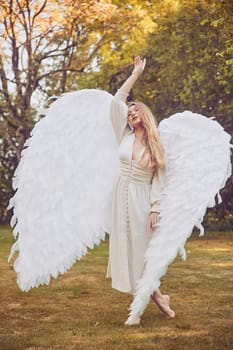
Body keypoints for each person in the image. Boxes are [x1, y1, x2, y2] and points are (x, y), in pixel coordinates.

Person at [106, 56, 175, 326]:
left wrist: (155, 208)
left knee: (143, 254)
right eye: (129, 111)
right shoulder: (122, 135)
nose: (131, 113)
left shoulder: (156, 143)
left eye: (136, 111)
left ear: (144, 115)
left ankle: (139, 309)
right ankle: (157, 297)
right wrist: (135, 74)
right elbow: (115, 102)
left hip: (142, 199)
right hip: (120, 195)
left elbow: (160, 177)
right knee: (127, 251)